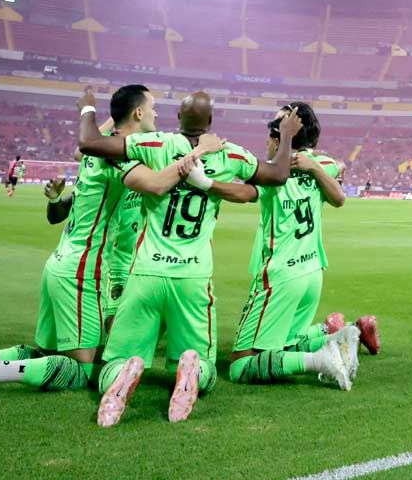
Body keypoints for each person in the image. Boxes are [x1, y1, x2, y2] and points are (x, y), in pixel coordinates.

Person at [0, 84, 174, 405]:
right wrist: (194, 161)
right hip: (82, 271)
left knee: (47, 353)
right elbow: (154, 184)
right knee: (84, 370)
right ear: (138, 112)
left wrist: (109, 118)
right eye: (152, 107)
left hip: (59, 265)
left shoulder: (97, 151)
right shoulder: (116, 154)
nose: (156, 113)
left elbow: (82, 149)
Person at [78, 89, 320, 426]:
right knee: (205, 366)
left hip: (147, 272)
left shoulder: (156, 143)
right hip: (193, 278)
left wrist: (88, 108)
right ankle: (191, 370)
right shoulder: (228, 154)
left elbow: (89, 143)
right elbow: (277, 175)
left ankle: (122, 374)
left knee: (115, 358)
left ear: (178, 117)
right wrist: (288, 136)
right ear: (210, 121)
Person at [229, 102, 376, 387]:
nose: (268, 137)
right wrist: (314, 163)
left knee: (241, 365)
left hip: (282, 276)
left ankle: (322, 360)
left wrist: (204, 183)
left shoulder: (270, 174)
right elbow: (339, 169)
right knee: (285, 343)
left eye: (274, 131)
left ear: (281, 138)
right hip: (311, 272)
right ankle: (342, 335)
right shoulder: (322, 165)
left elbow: (242, 191)